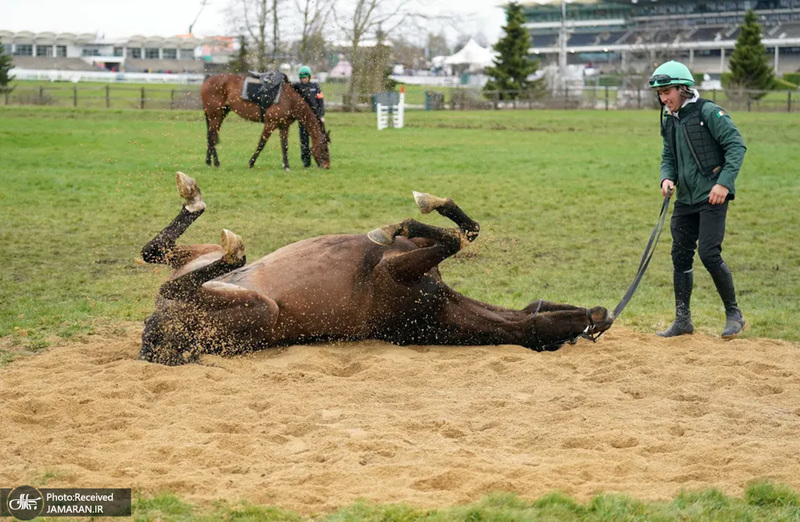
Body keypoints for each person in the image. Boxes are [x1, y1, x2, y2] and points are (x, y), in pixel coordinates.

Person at [649, 60, 747, 338]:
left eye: (667, 91)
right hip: (685, 199)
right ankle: (682, 321)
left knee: (708, 253)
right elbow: (668, 155)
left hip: (712, 197)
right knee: (679, 255)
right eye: (660, 93)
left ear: (683, 88)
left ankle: (734, 314)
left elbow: (736, 146)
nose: (664, 98)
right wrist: (667, 178)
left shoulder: (709, 112)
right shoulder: (670, 120)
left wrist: (724, 184)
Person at [292, 65, 325, 168]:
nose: (303, 80)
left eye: (305, 77)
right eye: (301, 78)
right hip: (303, 119)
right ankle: (306, 162)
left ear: (309, 77)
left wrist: (322, 115)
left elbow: (320, 102)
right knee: (304, 141)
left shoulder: (315, 87)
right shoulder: (297, 87)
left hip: (315, 119)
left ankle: (320, 159)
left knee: (317, 140)